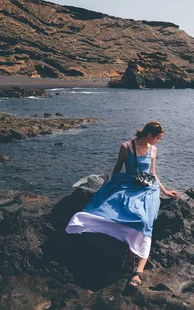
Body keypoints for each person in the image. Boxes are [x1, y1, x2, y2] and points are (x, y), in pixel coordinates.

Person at [65, 121, 179, 288]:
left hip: (148, 188)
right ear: (149, 135)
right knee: (118, 213)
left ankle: (138, 268)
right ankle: (130, 258)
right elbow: (117, 168)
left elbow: (153, 173)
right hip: (128, 184)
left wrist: (164, 191)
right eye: (158, 138)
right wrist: (108, 188)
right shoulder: (126, 147)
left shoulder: (153, 150)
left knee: (144, 221)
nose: (158, 141)